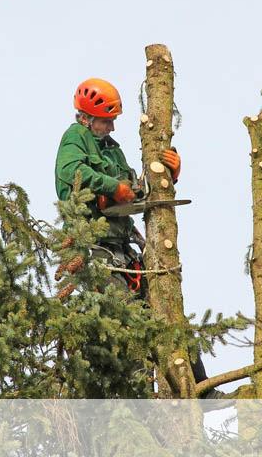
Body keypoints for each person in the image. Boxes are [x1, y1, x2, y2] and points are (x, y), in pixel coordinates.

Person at [55, 77, 216, 387]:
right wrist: (111, 187)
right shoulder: (74, 138)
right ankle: (139, 397)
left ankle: (199, 388)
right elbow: (71, 171)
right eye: (107, 121)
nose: (112, 127)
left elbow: (134, 189)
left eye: (113, 120)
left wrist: (170, 174)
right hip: (94, 248)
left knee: (168, 312)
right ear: (87, 117)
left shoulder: (111, 149)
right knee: (129, 321)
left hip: (124, 249)